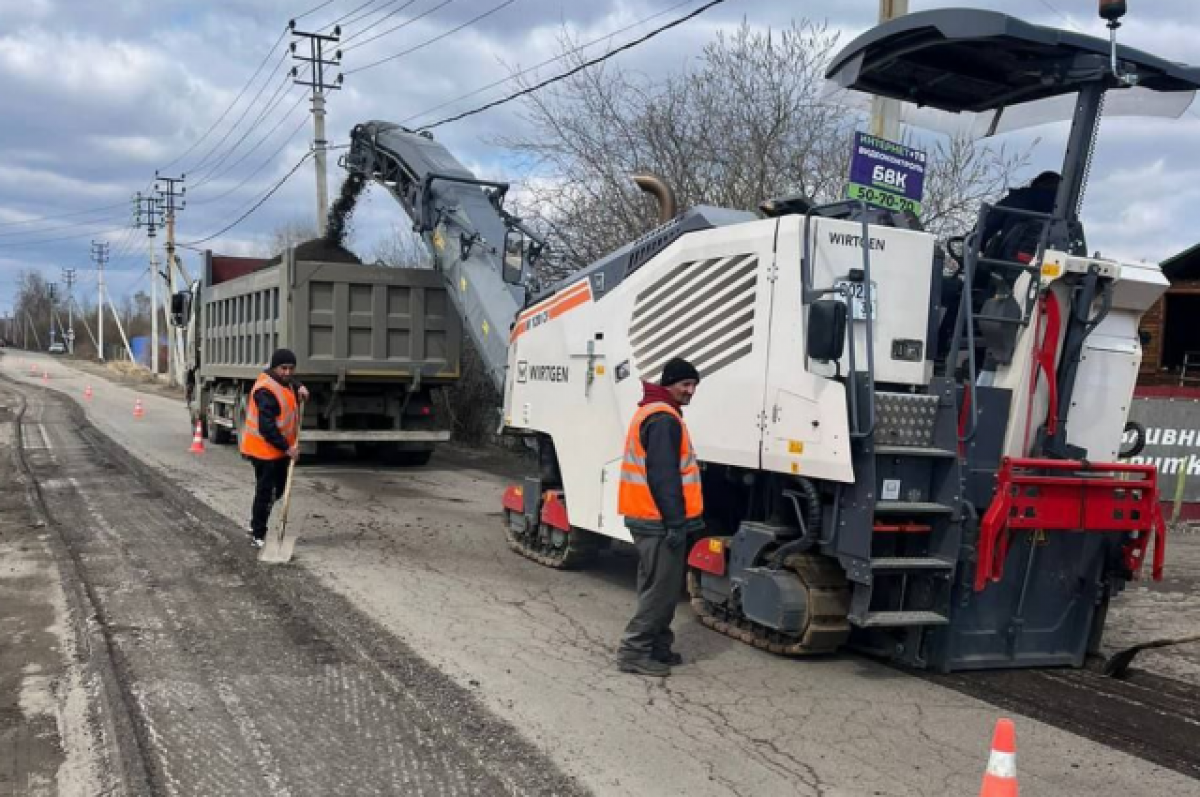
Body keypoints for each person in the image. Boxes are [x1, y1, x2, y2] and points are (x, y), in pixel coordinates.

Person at [616, 357, 705, 677]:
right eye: (685, 384)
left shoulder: (656, 412)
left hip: (648, 516)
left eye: (694, 385)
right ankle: (633, 651)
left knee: (659, 585)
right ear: (669, 385)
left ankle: (657, 646)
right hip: (656, 519)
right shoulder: (663, 419)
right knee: (661, 589)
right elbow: (664, 477)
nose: (690, 391)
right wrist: (676, 523)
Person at [240, 348, 310, 548]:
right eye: (283, 368)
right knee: (266, 492)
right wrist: (288, 448)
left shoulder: (284, 382)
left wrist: (301, 386)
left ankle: (256, 525)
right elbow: (266, 427)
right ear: (274, 368)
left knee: (276, 490)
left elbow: (290, 382)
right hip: (263, 450)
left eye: (291, 368)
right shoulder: (265, 390)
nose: (287, 372)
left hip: (278, 450)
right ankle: (258, 534)